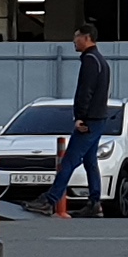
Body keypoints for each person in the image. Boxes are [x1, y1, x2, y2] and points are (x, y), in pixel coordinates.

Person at [45, 25, 114, 213]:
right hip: (98, 118)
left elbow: (86, 91)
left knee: (69, 160)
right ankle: (94, 202)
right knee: (90, 161)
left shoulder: (90, 60)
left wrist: (80, 117)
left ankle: (49, 200)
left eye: (77, 36)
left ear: (87, 37)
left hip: (89, 120)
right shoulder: (100, 61)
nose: (74, 41)